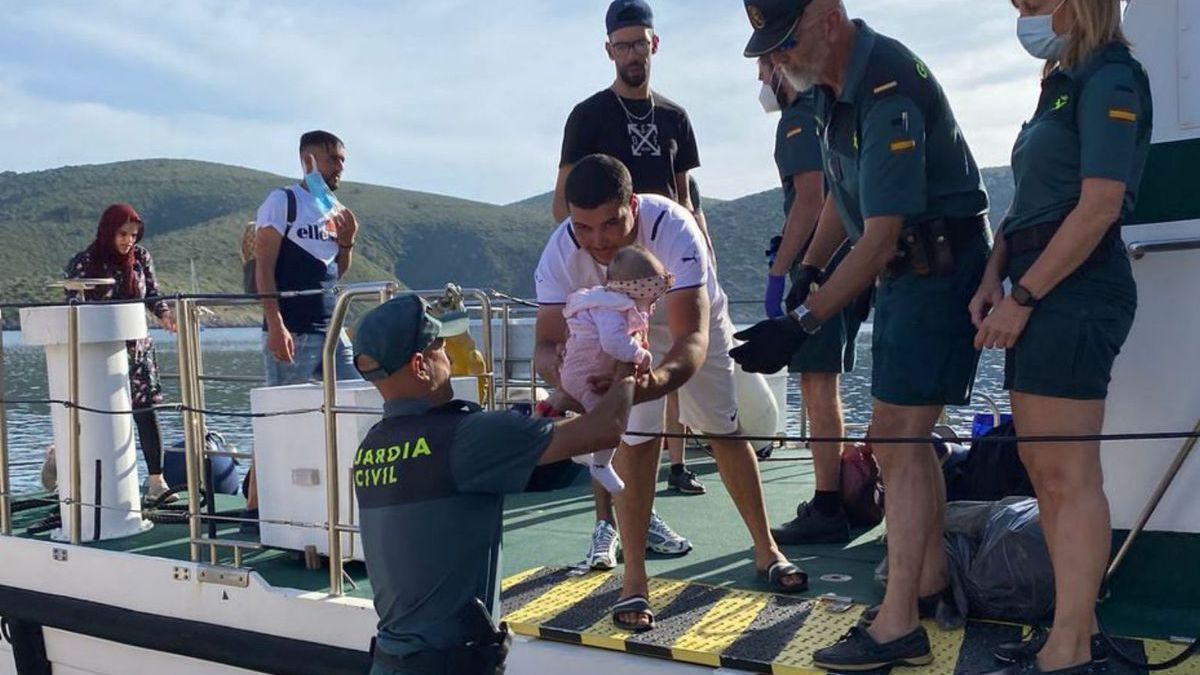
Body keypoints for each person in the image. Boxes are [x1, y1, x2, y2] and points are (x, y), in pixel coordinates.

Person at [738, 0, 991, 668]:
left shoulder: (884, 84)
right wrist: (810, 270)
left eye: (786, 39)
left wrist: (801, 323)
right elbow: (843, 205)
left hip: (937, 265)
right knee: (902, 439)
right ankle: (931, 583)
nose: (779, 57)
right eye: (770, 44)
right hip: (909, 272)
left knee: (897, 438)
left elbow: (878, 238)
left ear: (827, 15)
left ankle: (897, 620)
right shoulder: (828, 92)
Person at [535, 154, 807, 632]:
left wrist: (652, 383)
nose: (598, 241)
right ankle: (634, 581)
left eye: (611, 224)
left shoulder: (675, 229)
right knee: (636, 444)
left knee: (721, 428)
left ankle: (767, 550)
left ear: (632, 205)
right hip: (615, 334)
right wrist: (568, 385)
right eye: (584, 227)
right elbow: (545, 344)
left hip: (686, 321)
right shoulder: (561, 251)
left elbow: (691, 339)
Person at [974, 2, 1152, 673]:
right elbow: (1028, 200)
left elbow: (1099, 204)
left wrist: (1023, 295)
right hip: (1037, 283)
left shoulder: (1112, 76)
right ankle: (1074, 630)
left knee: (1070, 476)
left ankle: (1068, 650)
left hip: (1073, 291)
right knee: (1046, 473)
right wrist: (995, 274)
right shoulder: (1060, 80)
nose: (1022, 11)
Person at [350, 293, 637, 675]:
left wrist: (550, 412)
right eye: (441, 346)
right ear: (420, 364)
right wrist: (630, 362)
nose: (451, 356)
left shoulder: (371, 448)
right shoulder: (464, 437)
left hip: (390, 663)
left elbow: (473, 474)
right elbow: (606, 430)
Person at [548, 0, 703, 571]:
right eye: (622, 44)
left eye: (641, 42)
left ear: (654, 45)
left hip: (666, 273)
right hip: (606, 265)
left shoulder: (675, 118)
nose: (632, 53)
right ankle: (602, 525)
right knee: (599, 384)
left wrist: (702, 264)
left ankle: (639, 506)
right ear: (608, 49)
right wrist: (582, 263)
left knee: (652, 389)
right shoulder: (588, 115)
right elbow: (563, 200)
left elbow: (686, 198)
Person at [756, 54, 865, 544]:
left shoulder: (799, 116)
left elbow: (811, 198)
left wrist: (782, 273)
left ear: (781, 66)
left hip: (820, 270)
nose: (760, 79)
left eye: (762, 67)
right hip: (851, 261)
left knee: (817, 386)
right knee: (827, 385)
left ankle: (827, 504)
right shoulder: (833, 107)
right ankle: (839, 494)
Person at [241, 130, 362, 534]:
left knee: (359, 406)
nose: (340, 167)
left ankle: (346, 505)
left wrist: (346, 244)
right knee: (277, 422)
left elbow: (333, 273)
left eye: (342, 160)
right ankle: (254, 510)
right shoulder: (282, 201)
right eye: (332, 159)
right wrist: (275, 323)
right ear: (308, 160)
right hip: (293, 329)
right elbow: (264, 265)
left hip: (331, 331)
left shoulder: (334, 209)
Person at [64, 203, 177, 502]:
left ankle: (157, 483)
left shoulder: (141, 257)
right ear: (108, 231)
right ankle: (62, 463)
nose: (129, 240)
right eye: (123, 233)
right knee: (94, 415)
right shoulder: (85, 262)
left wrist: (164, 314)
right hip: (100, 354)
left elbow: (152, 292)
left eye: (134, 234)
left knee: (146, 413)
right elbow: (72, 303)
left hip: (138, 351)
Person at [560, 245, 672, 494]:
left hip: (590, 370)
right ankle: (598, 461)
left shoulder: (610, 302)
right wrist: (640, 354)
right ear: (637, 290)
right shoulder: (611, 309)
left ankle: (586, 451)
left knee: (604, 416)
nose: (653, 302)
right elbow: (613, 343)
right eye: (651, 295)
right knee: (609, 421)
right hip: (585, 373)